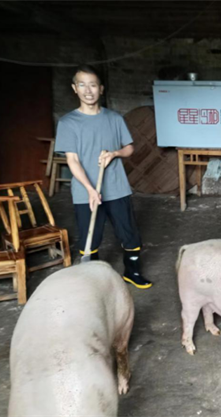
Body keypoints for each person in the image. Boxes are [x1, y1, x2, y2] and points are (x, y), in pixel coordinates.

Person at [55, 64, 152, 289]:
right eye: (82, 85)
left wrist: (114, 153)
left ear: (101, 89)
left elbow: (129, 148)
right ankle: (93, 279)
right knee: (90, 236)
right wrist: (90, 189)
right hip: (85, 191)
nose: (88, 90)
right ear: (74, 88)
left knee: (128, 232)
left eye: (93, 85)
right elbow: (72, 161)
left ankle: (132, 272)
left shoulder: (114, 118)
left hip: (117, 187)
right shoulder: (68, 123)